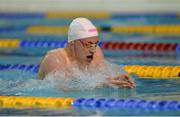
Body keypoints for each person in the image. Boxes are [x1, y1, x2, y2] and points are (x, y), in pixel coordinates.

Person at [38, 17, 135, 88]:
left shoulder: (96, 53)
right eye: (88, 44)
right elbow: (62, 90)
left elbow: (104, 78)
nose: (92, 49)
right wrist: (99, 85)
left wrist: (116, 80)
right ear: (73, 44)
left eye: (95, 44)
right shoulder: (55, 60)